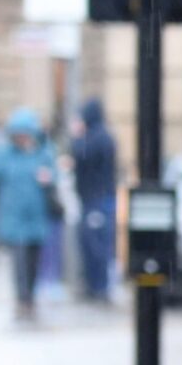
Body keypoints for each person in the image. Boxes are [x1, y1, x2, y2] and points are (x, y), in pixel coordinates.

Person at [0, 108, 62, 323]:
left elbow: (56, 180)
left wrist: (48, 179)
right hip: (13, 217)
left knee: (33, 260)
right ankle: (23, 300)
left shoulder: (44, 153)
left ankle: (30, 297)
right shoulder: (4, 155)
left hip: (36, 216)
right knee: (20, 259)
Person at [70, 97, 119, 301]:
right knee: (92, 244)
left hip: (97, 200)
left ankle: (99, 287)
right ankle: (95, 285)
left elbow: (81, 155)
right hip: (93, 199)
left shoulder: (98, 138)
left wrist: (77, 136)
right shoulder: (101, 137)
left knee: (96, 245)